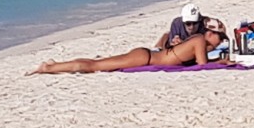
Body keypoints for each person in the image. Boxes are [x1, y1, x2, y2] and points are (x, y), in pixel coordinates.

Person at [33, 26, 229, 74]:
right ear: (211, 34)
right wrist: (220, 63)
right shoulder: (199, 41)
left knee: (98, 63)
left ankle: (54, 65)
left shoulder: (195, 40)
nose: (219, 43)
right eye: (220, 38)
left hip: (147, 55)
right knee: (96, 66)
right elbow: (202, 64)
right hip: (145, 58)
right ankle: (49, 67)